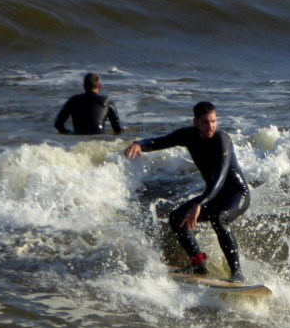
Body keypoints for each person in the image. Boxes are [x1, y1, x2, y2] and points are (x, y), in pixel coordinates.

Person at [123, 102, 250, 282]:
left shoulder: (222, 140)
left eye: (214, 121)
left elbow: (219, 179)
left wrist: (199, 203)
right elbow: (159, 141)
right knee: (177, 218)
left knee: (219, 217)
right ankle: (198, 263)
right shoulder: (188, 136)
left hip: (236, 193)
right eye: (205, 122)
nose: (211, 126)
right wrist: (139, 145)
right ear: (195, 122)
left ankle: (237, 272)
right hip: (214, 194)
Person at [54, 72, 122, 135]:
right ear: (100, 86)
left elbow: (58, 125)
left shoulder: (73, 100)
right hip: (100, 139)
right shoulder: (107, 102)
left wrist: (70, 133)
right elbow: (118, 130)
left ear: (84, 86)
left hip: (78, 138)